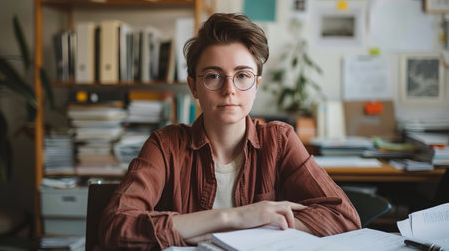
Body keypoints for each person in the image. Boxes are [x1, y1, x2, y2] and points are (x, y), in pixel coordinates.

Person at [98, 13, 361, 250]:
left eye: (243, 75)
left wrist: (247, 229)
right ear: (193, 87)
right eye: (213, 76)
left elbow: (344, 218)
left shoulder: (279, 140)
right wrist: (235, 217)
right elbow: (116, 227)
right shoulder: (165, 145)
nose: (229, 90)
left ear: (256, 85)